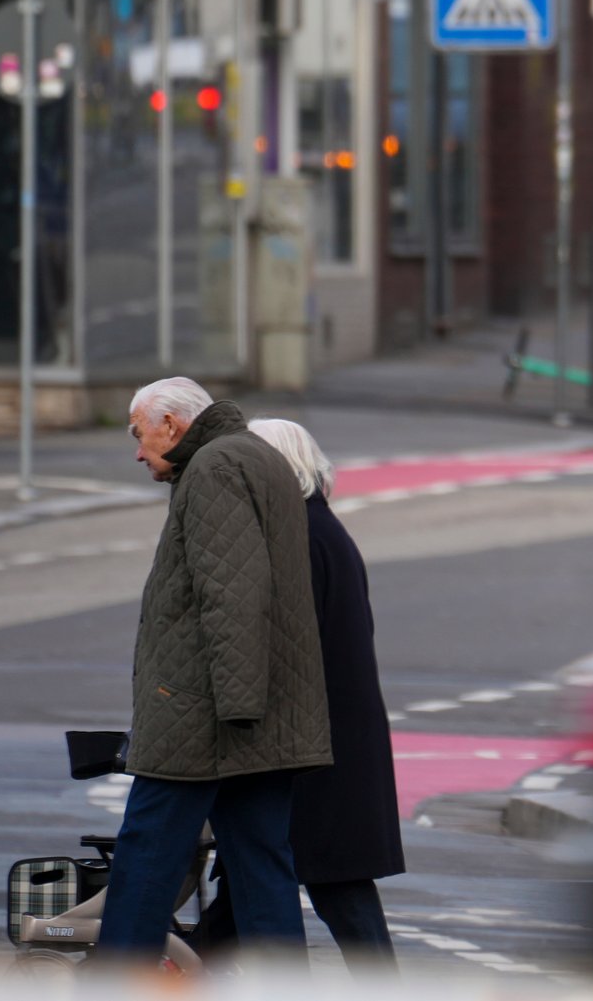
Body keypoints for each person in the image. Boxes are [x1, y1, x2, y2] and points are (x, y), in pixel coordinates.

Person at [95, 380, 331, 967]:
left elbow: (233, 595)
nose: (138, 449)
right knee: (261, 866)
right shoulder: (260, 458)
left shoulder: (211, 470)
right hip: (256, 712)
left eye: (139, 433)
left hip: (206, 715)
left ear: (172, 426)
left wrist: (237, 705)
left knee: (147, 853)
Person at [195, 419, 403, 969]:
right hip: (329, 742)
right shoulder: (321, 530)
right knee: (257, 885)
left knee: (332, 885)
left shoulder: (296, 539)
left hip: (311, 750)